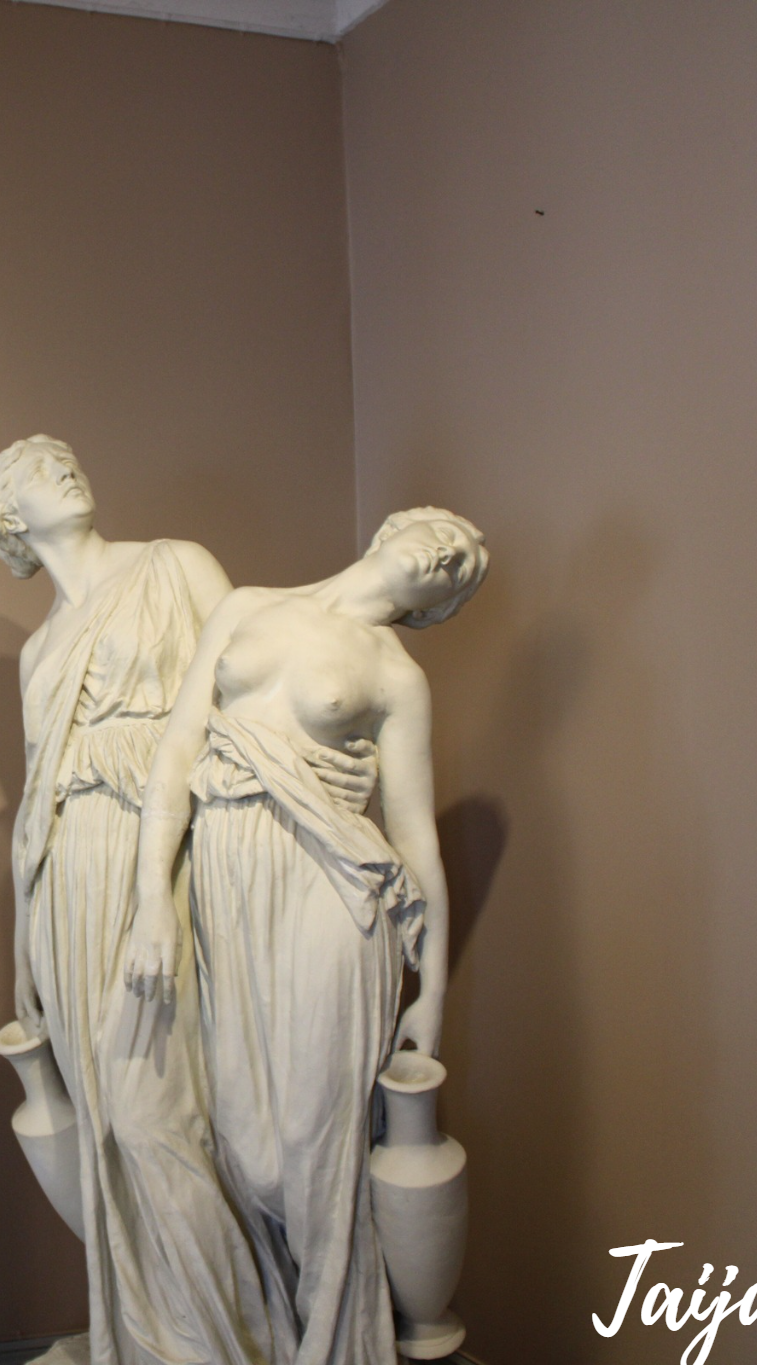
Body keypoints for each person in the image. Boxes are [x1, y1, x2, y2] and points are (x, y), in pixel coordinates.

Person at [127, 508, 487, 1365]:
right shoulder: (246, 604)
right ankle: (273, 1335)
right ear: (391, 528)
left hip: (335, 887)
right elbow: (174, 754)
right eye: (441, 533)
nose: (444, 550)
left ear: (437, 606)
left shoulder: (396, 674)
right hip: (229, 879)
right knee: (248, 1142)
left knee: (316, 1141)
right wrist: (149, 902)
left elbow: (415, 838)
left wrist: (433, 992)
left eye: (456, 567)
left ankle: (335, 1347)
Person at [0, 435, 290, 1365]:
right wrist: (24, 951)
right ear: (10, 517)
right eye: (40, 468)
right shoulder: (39, 652)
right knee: (113, 1127)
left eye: (67, 457)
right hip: (71, 887)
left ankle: (229, 1341)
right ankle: (156, 1334)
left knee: (165, 1115)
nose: (66, 468)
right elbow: (34, 808)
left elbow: (246, 701)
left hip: (164, 863)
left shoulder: (175, 565)